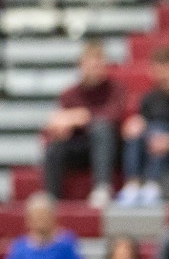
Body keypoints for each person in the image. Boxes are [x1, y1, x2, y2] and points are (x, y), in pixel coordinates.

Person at [41, 42, 128, 208]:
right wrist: (63, 127)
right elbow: (59, 123)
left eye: (98, 65)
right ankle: (51, 198)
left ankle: (102, 188)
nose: (94, 70)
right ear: (80, 66)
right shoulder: (69, 94)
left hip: (111, 148)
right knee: (55, 147)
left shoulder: (116, 90)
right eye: (90, 65)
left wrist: (81, 116)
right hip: (80, 147)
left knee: (102, 129)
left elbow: (113, 116)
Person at [119, 43, 169, 205]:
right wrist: (136, 125)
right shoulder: (149, 99)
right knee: (138, 129)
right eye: (159, 71)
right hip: (152, 147)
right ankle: (133, 183)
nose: (163, 76)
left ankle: (153, 184)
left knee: (160, 129)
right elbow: (144, 125)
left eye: (167, 70)